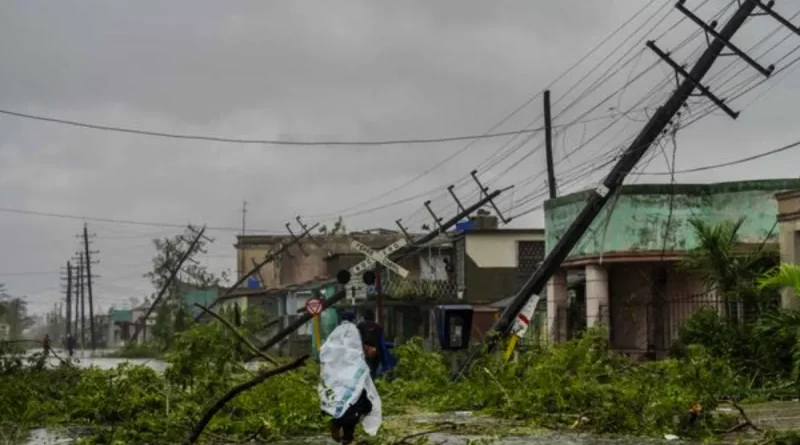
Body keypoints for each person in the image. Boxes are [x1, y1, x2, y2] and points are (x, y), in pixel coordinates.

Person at [319, 313, 382, 444]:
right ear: (354, 319)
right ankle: (346, 434)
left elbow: (325, 353)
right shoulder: (355, 332)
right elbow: (359, 352)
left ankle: (338, 425)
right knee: (360, 403)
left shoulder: (335, 334)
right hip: (354, 376)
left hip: (338, 377)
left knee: (340, 401)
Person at [357, 309, 384, 379]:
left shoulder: (360, 326)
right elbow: (381, 341)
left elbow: (357, 339)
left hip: (364, 352)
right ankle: (373, 383)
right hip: (375, 352)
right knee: (373, 370)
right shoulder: (379, 327)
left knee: (364, 370)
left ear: (365, 317)